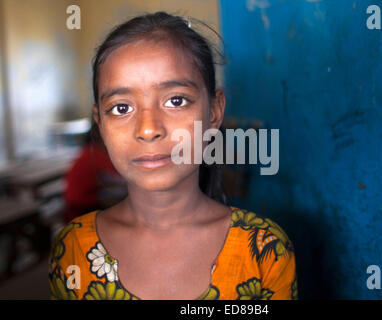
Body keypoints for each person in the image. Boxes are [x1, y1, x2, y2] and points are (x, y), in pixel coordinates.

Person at [48, 12, 297, 300]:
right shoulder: (73, 249)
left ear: (214, 112)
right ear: (100, 123)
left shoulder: (264, 249)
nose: (149, 128)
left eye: (175, 101)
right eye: (121, 108)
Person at [63, 128, 127, 224]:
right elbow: (120, 172)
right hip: (82, 206)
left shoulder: (86, 151)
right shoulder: (94, 153)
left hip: (75, 203)